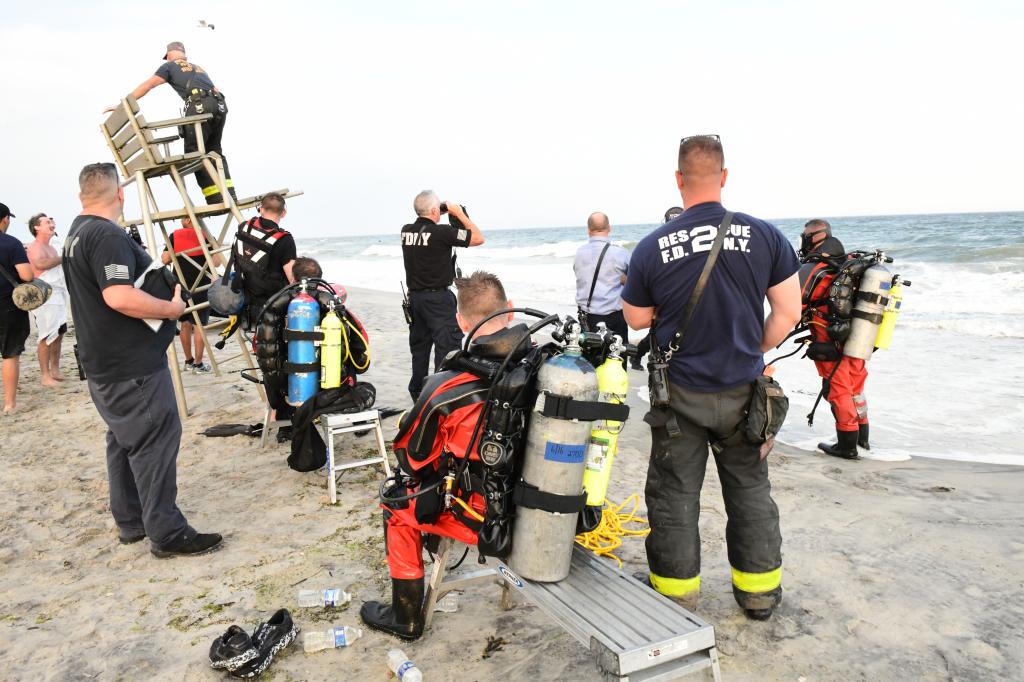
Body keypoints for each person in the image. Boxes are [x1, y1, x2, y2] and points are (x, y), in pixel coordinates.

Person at [622, 135, 801, 621]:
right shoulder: (765, 236)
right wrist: (755, 349)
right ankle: (759, 595)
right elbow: (789, 311)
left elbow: (636, 320)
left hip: (680, 394)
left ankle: (677, 597)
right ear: (724, 177)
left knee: (675, 492)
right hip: (745, 392)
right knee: (749, 489)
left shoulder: (652, 246)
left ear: (678, 180)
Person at [62, 162, 222, 557]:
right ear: (119, 195)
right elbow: (117, 295)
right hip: (131, 364)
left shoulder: (76, 233)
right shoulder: (105, 234)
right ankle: (167, 533)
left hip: (104, 362)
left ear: (82, 195)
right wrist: (170, 310)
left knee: (123, 439)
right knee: (155, 439)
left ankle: (131, 521)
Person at [361, 270, 513, 641]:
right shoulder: (544, 368)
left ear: (460, 322)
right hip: (532, 508)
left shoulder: (447, 386)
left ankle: (406, 617)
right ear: (509, 310)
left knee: (397, 504)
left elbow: (412, 458)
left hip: (480, 516)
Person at [106, 41, 235, 204]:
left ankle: (215, 197)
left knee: (194, 153)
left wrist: (122, 104)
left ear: (168, 55)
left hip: (199, 106)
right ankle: (230, 194)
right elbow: (215, 89)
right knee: (214, 150)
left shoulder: (169, 66)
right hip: (220, 105)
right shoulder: (198, 68)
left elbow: (148, 85)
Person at [798, 219, 871, 459]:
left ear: (813, 237)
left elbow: (794, 303)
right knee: (856, 387)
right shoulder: (848, 262)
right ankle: (862, 439)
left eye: (805, 236)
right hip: (857, 336)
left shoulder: (816, 267)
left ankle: (846, 446)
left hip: (829, 340)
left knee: (838, 389)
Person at [401, 190, 484, 401]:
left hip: (416, 300)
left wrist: (442, 211)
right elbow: (477, 238)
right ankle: (440, 395)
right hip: (438, 300)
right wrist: (458, 213)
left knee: (419, 351)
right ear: (435, 210)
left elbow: (428, 235)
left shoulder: (406, 231)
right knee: (447, 349)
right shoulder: (441, 233)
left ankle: (418, 395)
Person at [161, 216, 224, 373]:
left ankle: (188, 361)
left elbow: (164, 259)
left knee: (185, 324)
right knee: (199, 325)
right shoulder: (206, 235)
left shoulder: (175, 236)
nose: (180, 220)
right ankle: (198, 363)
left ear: (189, 220)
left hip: (181, 285)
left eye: (183, 218)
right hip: (202, 284)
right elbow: (216, 262)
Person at [632, 206, 685, 370]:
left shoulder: (655, 243)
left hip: (667, 298)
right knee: (656, 335)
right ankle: (639, 357)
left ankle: (640, 358)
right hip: (674, 298)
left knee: (658, 333)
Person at [234, 192, 296, 330]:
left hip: (245, 301)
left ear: (261, 209)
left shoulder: (244, 227)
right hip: (273, 305)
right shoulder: (284, 239)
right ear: (283, 213)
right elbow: (292, 278)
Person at [573, 212, 630, 346]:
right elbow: (636, 282)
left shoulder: (579, 253)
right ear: (609, 228)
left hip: (586, 317)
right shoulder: (621, 253)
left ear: (588, 230)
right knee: (616, 361)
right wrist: (623, 280)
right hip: (615, 317)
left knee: (590, 361)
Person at [26, 213, 69, 386]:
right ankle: (45, 375)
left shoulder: (51, 247)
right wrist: (64, 258)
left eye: (52, 220)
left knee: (59, 332)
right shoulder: (35, 246)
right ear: (37, 227)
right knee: (46, 335)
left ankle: (55, 369)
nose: (52, 223)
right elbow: (40, 265)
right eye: (47, 222)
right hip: (45, 296)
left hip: (58, 293)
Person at [0, 203, 33, 413]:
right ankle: (10, 404)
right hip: (7, 305)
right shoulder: (11, 243)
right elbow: (27, 276)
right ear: (4, 219)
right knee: (10, 354)